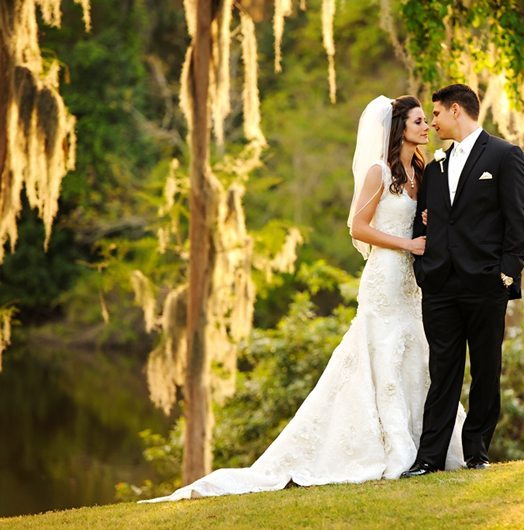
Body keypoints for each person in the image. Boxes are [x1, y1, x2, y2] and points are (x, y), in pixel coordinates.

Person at [141, 96, 465, 503]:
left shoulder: (422, 170)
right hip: (384, 279)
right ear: (400, 128)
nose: (426, 127)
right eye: (420, 121)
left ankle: (429, 448)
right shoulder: (378, 173)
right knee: (380, 354)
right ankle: (389, 448)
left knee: (417, 356)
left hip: (412, 285)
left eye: (426, 121)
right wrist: (406, 244)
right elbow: (357, 227)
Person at [402, 84, 524, 477]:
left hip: (486, 285)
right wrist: (426, 274)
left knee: (486, 370)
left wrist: (504, 277)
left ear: (456, 110)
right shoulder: (436, 167)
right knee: (442, 373)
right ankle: (429, 459)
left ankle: (477, 453)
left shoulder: (505, 156)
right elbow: (424, 220)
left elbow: (520, 223)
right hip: (440, 287)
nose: (433, 122)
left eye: (437, 114)